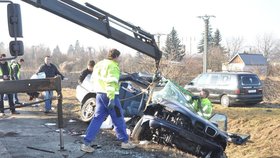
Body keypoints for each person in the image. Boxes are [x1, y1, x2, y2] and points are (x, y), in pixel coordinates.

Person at [80, 49, 135, 153]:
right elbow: (111, 82)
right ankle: (125, 142)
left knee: (97, 119)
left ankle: (86, 143)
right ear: (116, 57)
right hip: (110, 95)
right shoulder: (113, 66)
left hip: (99, 95)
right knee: (118, 118)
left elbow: (94, 80)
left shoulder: (99, 64)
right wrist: (111, 98)